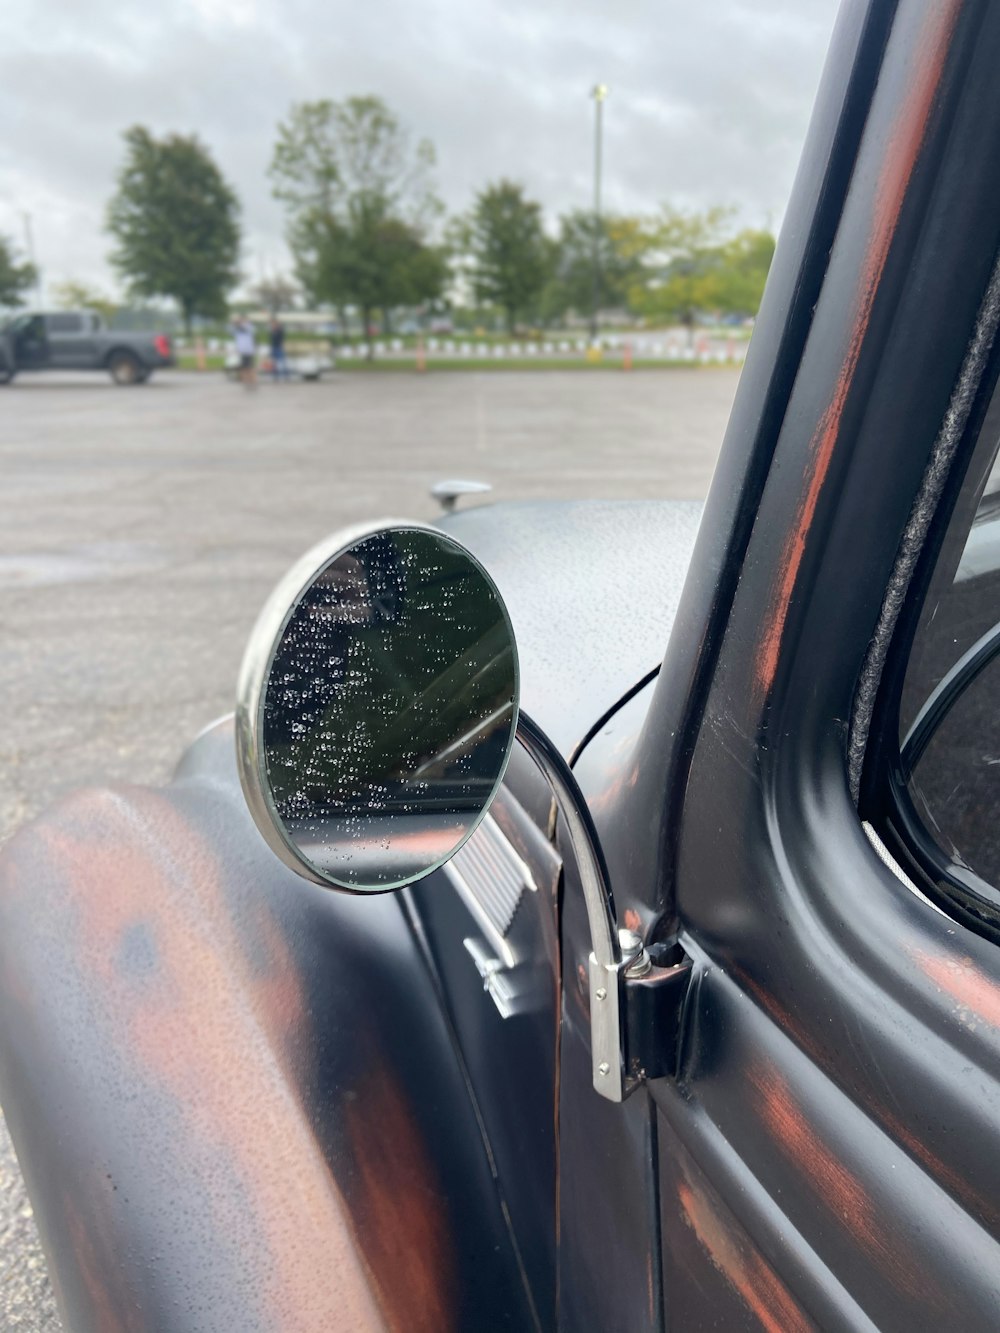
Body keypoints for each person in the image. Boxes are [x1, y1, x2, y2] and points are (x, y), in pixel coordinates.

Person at [231, 317, 257, 389]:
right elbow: (231, 330)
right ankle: (246, 382)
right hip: (242, 351)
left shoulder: (249, 328)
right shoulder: (237, 330)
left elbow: (248, 328)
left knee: (250, 367)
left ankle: (253, 381)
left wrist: (240, 323)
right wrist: (235, 324)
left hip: (249, 351)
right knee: (244, 368)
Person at [269, 316, 289, 381]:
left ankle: (285, 375)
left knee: (282, 362)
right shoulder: (272, 331)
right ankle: (276, 376)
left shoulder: (279, 331)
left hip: (279, 347)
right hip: (274, 347)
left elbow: (282, 339)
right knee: (274, 362)